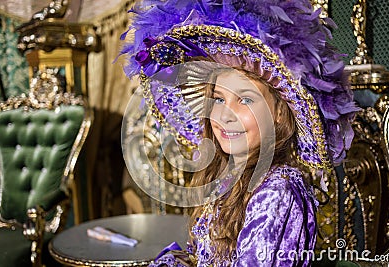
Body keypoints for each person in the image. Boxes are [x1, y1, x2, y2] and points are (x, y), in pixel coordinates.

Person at [119, 0, 359, 266]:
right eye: (219, 99)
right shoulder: (230, 177)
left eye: (245, 100)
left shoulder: (277, 193)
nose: (225, 115)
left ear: (279, 112)